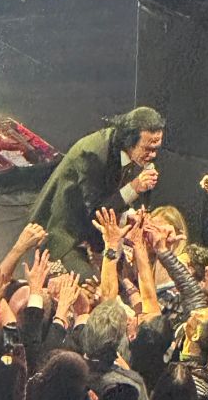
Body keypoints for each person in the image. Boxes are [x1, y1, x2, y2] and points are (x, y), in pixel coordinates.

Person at [29, 106, 165, 275]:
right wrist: (134, 187)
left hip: (92, 230)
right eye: (148, 149)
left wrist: (129, 213)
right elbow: (95, 212)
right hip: (65, 232)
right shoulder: (94, 155)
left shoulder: (124, 149)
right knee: (93, 286)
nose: (153, 156)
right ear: (130, 141)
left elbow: (110, 194)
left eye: (156, 149)